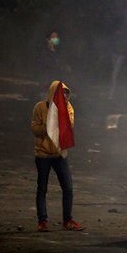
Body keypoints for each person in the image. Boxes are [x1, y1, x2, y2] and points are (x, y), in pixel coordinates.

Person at [30, 80, 83, 232]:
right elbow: (34, 128)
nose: (65, 96)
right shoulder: (40, 107)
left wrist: (59, 116)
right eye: (62, 93)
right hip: (43, 155)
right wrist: (47, 126)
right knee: (42, 189)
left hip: (60, 154)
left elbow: (68, 126)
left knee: (68, 188)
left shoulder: (68, 108)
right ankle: (42, 221)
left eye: (67, 93)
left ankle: (68, 220)